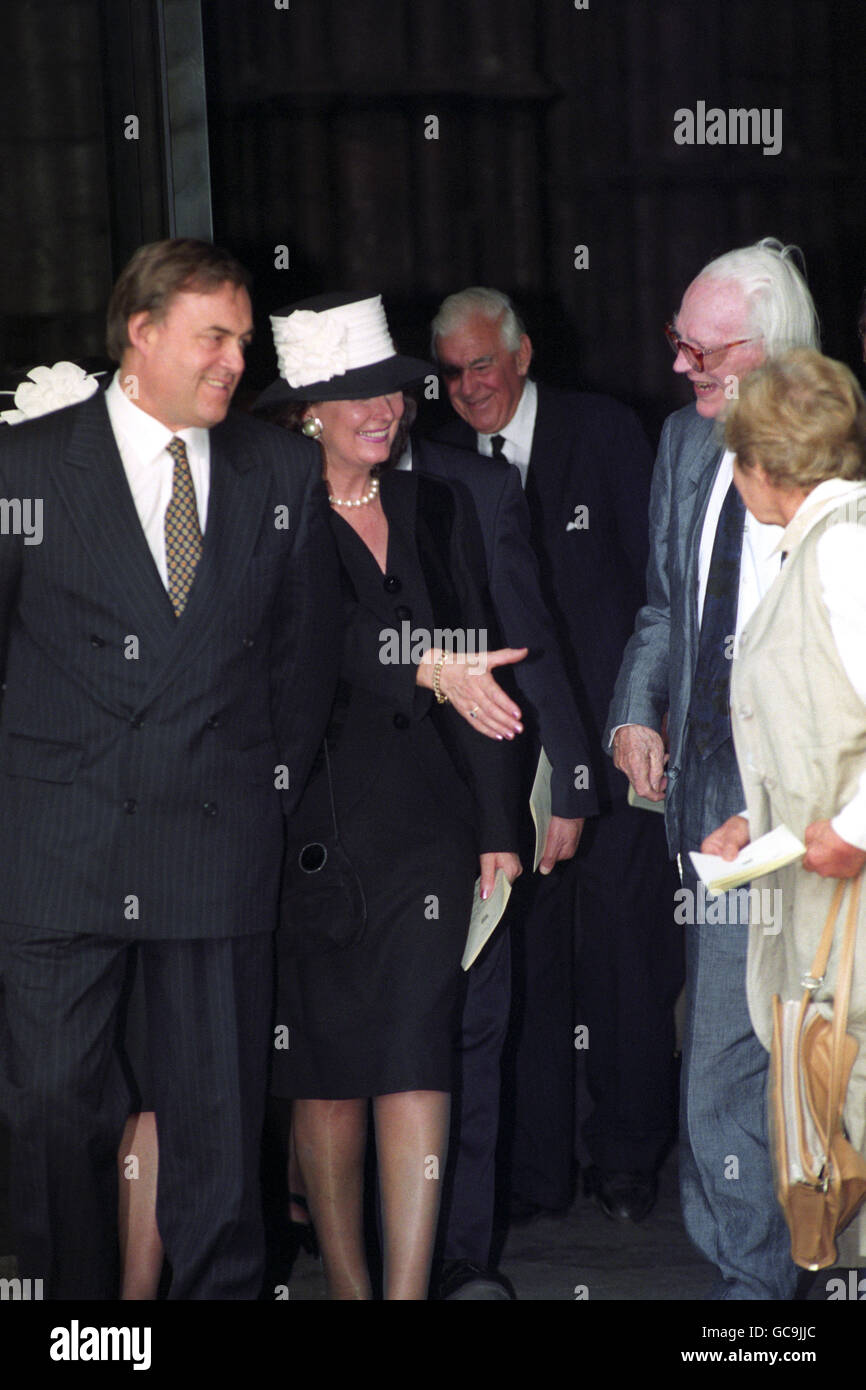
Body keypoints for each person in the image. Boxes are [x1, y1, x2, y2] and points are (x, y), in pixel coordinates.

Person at [0, 239, 342, 1300]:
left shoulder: (279, 468)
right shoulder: (24, 467)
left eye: (243, 339)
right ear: (140, 336)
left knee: (217, 1126)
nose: (236, 360)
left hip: (214, 837)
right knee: (52, 1104)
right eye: (214, 336)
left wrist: (250, 783)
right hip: (61, 844)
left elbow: (304, 661)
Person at [255, 292, 523, 1300]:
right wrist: (423, 663)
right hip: (312, 834)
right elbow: (309, 646)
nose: (385, 409)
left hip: (427, 830)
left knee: (419, 1055)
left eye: (394, 392)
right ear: (306, 413)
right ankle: (352, 1290)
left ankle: (407, 1295)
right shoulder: (270, 515)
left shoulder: (432, 508)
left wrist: (500, 820)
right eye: (355, 395)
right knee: (325, 1078)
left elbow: (476, 663)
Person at [429, 288, 680, 1258]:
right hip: (501, 756)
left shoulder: (604, 431)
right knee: (522, 956)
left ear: (521, 354)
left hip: (617, 740)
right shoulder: (443, 464)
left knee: (623, 952)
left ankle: (622, 1156)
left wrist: (637, 718)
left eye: (480, 365)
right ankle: (532, 1169)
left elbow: (656, 589)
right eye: (449, 373)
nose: (466, 387)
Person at [606, 239, 820, 1298]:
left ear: (773, 349)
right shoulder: (683, 446)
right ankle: (756, 1282)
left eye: (708, 348)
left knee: (805, 1059)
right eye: (676, 344)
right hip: (708, 804)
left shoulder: (840, 456)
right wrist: (633, 713)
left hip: (815, 807)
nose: (685, 365)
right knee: (725, 1052)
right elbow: (661, 607)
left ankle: (787, 1278)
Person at [701, 348, 866, 1267]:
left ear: (768, 467)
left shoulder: (846, 551)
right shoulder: (820, 544)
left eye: (738, 458)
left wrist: (852, 832)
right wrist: (757, 826)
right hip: (822, 914)